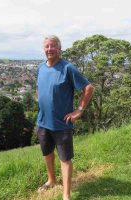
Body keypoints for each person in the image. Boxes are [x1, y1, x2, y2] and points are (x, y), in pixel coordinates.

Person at [36, 35, 94, 200]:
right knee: (47, 153)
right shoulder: (40, 68)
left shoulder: (68, 68)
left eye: (52, 46)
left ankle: (66, 195)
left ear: (59, 49)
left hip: (62, 123)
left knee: (65, 158)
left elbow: (88, 88)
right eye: (47, 47)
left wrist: (79, 110)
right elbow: (39, 88)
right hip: (43, 121)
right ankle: (51, 180)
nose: (49, 49)